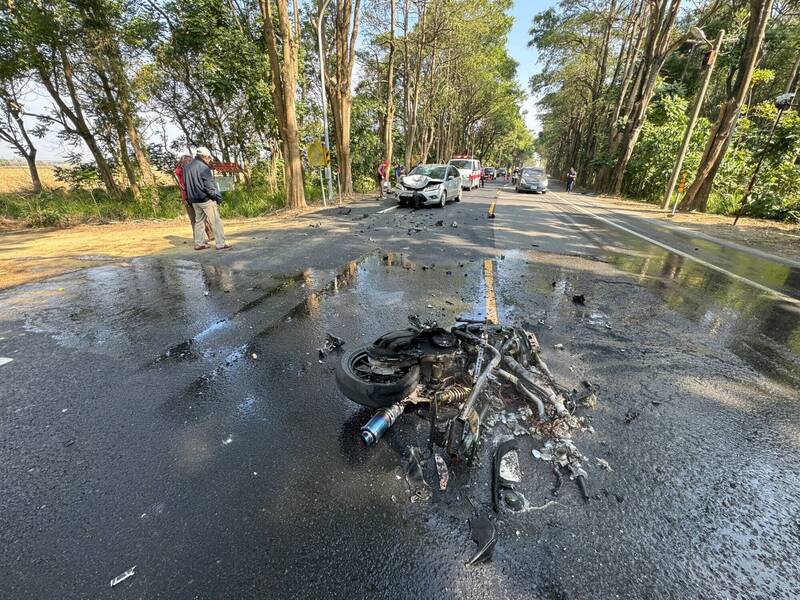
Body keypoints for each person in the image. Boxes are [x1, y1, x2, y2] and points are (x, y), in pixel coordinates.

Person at [183, 147, 231, 250]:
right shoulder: (204, 167)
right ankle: (221, 243)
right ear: (204, 156)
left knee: (199, 221)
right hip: (205, 199)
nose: (209, 159)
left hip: (194, 200)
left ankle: (199, 243)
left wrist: (189, 198)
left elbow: (185, 185)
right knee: (216, 221)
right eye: (209, 157)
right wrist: (216, 197)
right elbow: (209, 186)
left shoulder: (187, 168)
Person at [174, 155, 214, 244]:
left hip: (192, 196)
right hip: (191, 197)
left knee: (199, 218)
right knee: (197, 218)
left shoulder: (181, 170)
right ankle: (200, 239)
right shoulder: (182, 171)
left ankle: (208, 236)